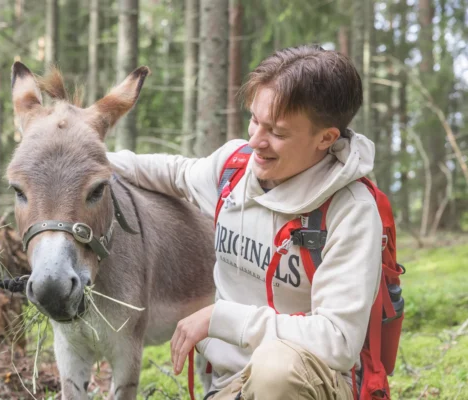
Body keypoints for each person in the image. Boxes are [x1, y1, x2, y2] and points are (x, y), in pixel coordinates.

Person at [108, 45, 382, 400]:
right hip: (228, 387)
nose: (255, 141)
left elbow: (338, 341)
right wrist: (84, 152)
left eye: (278, 133)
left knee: (276, 369)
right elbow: (174, 173)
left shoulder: (350, 211)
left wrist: (220, 319)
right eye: (254, 119)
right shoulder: (234, 169)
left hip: (307, 385)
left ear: (325, 138)